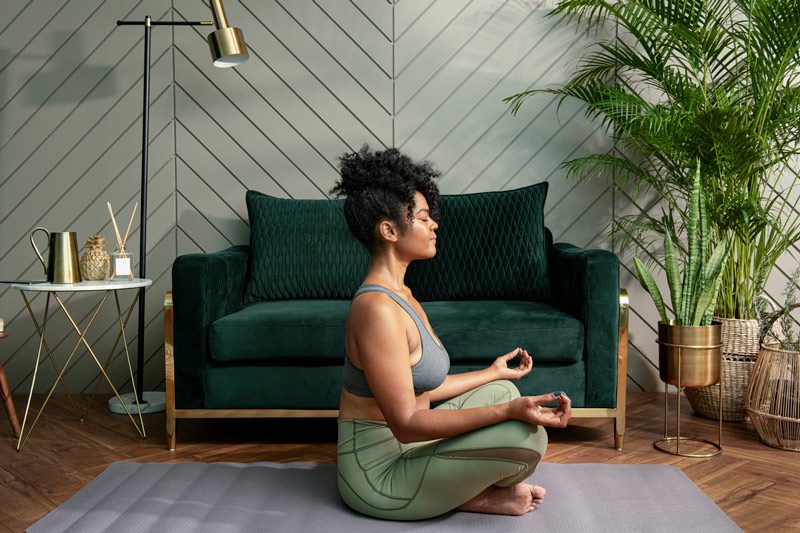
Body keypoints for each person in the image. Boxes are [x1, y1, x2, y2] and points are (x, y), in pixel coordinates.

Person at [332, 145, 572, 521]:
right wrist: (507, 412)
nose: (434, 225)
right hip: (378, 476)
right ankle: (470, 496)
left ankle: (451, 490)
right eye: (424, 218)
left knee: (503, 389)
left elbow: (420, 390)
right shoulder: (377, 310)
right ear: (389, 230)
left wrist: (493, 373)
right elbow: (407, 424)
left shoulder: (402, 294)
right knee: (525, 437)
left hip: (408, 450)